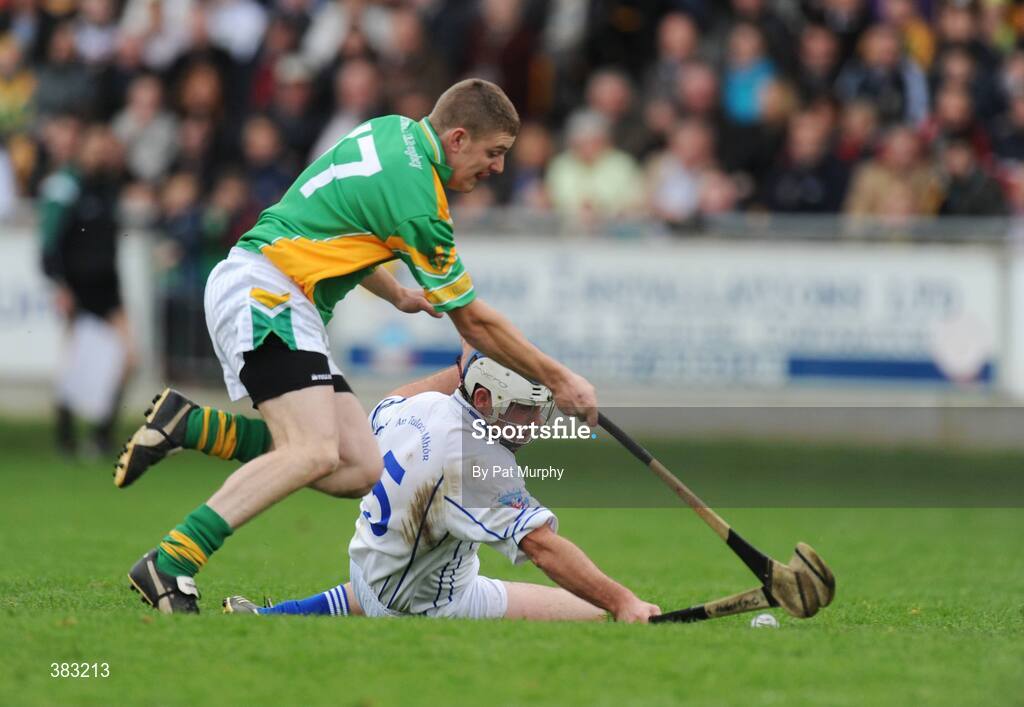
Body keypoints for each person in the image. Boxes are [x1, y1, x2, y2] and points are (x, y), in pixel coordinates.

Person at [116, 79, 598, 614]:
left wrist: (396, 293)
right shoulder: (420, 200)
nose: (499, 168)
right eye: (494, 153)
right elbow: (475, 325)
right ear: (458, 138)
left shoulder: (393, 132)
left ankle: (193, 426)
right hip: (268, 293)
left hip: (273, 290)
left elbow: (336, 220)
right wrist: (560, 381)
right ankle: (172, 561)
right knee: (315, 449)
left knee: (359, 464)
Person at [122, 351, 660, 623]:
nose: (534, 424)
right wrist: (622, 600)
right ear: (485, 399)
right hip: (425, 604)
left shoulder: (418, 406)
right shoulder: (478, 461)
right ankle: (633, 610)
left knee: (327, 461)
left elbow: (412, 392)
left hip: (371, 566)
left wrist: (482, 359)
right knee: (598, 613)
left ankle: (267, 618)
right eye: (524, 410)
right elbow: (542, 546)